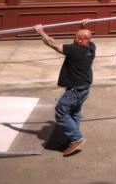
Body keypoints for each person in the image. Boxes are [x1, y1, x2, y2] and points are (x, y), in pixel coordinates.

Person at [34, 21, 95, 157]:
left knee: (61, 111)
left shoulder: (74, 51)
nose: (74, 39)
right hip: (84, 88)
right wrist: (83, 27)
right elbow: (83, 37)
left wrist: (40, 31)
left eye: (75, 37)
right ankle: (71, 138)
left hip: (75, 90)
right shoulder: (91, 47)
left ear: (79, 40)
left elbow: (52, 44)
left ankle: (76, 138)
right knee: (74, 112)